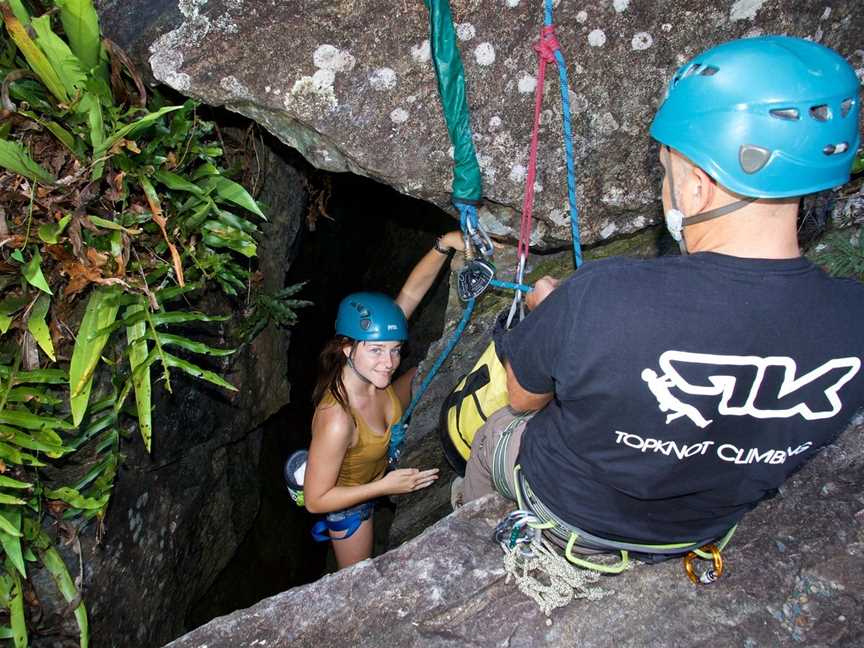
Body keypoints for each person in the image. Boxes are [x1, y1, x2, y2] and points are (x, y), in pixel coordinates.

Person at [461, 36, 864, 562]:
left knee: (493, 429)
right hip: (695, 529)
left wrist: (548, 318)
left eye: (665, 167)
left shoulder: (602, 298)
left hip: (572, 510)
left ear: (697, 184)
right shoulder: (854, 318)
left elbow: (522, 397)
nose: (665, 184)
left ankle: (478, 542)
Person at [304, 230, 465, 569]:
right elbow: (316, 500)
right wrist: (383, 486)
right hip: (350, 500)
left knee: (434, 368)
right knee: (357, 577)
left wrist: (444, 245)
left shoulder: (375, 372)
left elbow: (410, 293)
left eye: (394, 350)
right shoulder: (337, 419)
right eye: (376, 351)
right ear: (347, 347)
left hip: (385, 426)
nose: (389, 363)